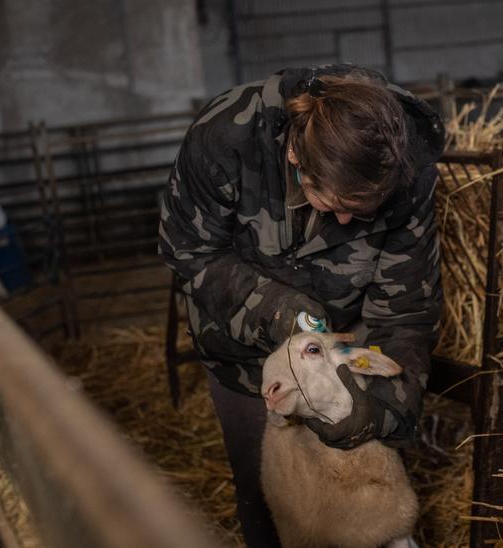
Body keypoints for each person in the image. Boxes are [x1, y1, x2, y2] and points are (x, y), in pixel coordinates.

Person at [158, 64, 445, 546]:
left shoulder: (404, 167)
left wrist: (377, 415)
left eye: (364, 211)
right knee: (266, 492)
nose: (349, 219)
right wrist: (277, 311)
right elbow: (190, 251)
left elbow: (406, 311)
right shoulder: (225, 138)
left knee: (369, 491)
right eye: (333, 204)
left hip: (346, 353)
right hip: (243, 352)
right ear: (294, 154)